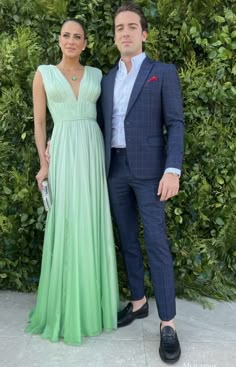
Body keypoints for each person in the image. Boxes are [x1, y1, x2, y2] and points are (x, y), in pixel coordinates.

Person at [98, 3, 184, 364]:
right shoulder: (105, 79)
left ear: (144, 33)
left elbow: (176, 123)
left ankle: (168, 323)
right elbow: (97, 124)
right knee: (127, 240)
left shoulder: (161, 72)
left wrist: (172, 170)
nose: (126, 33)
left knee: (157, 244)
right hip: (115, 168)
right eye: (120, 28)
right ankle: (138, 302)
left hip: (151, 173)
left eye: (132, 26)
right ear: (115, 35)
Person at [25, 19, 118, 345]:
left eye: (78, 36)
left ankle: (94, 305)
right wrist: (43, 163)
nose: (71, 40)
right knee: (67, 221)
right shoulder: (44, 73)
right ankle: (65, 307)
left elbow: (110, 118)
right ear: (59, 39)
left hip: (92, 153)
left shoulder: (96, 75)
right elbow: (39, 123)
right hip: (62, 151)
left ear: (86, 42)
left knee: (90, 220)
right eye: (66, 35)